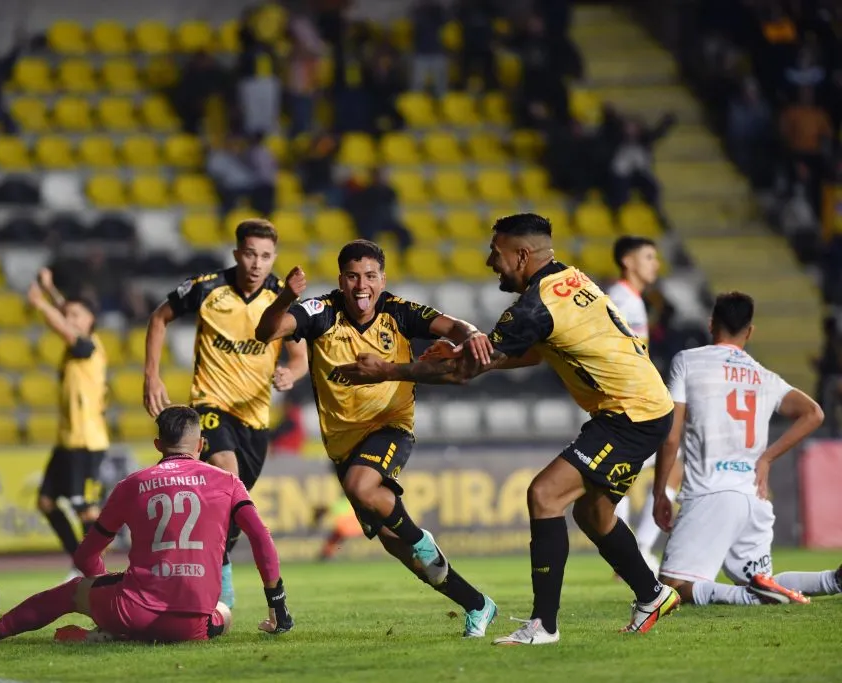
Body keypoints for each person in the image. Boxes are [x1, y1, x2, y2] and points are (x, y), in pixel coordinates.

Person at [337, 214, 680, 644]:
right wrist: (463, 353)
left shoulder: (534, 307)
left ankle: (544, 625)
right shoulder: (569, 278)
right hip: (644, 406)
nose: (489, 262)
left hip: (630, 414)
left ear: (521, 255)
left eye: (496, 254)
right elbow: (530, 354)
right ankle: (651, 593)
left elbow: (465, 373)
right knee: (592, 513)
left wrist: (389, 370)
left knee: (544, 494)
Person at [254, 239, 498, 638]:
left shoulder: (399, 312)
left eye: (370, 276)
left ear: (382, 279)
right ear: (341, 280)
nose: (361, 285)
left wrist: (470, 336)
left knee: (362, 488)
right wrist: (284, 297)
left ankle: (420, 537)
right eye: (353, 276)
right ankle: (477, 604)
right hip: (343, 444)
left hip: (390, 425)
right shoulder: (320, 311)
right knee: (395, 545)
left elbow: (454, 326)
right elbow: (266, 332)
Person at [0, 406, 294, 644]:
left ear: (157, 445)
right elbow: (261, 540)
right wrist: (276, 604)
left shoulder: (132, 485)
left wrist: (98, 581)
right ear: (201, 445)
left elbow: (85, 557)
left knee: (72, 592)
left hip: (131, 610)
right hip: (194, 625)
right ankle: (114, 634)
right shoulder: (228, 482)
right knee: (225, 612)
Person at [142, 219, 308, 609]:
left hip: (254, 419)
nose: (256, 263)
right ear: (237, 254)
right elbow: (158, 317)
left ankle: (218, 569)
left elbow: (300, 358)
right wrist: (152, 375)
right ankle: (221, 591)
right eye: (250, 253)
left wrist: (291, 373)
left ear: (274, 258)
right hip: (210, 405)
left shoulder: (281, 299)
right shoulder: (208, 287)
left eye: (265, 256)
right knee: (227, 475)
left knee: (234, 505)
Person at [653, 292, 840, 607]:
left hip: (710, 493)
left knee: (671, 587)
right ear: (750, 331)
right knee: (759, 578)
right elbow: (814, 413)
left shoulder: (687, 361)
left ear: (711, 324)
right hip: (753, 496)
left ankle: (749, 598)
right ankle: (832, 580)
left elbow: (671, 437)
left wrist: (661, 492)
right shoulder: (764, 376)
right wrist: (766, 458)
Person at [28, 269, 109, 580]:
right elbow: (67, 315)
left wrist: (41, 304)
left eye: (77, 315)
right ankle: (81, 562)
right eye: (68, 314)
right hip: (67, 442)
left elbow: (66, 327)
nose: (70, 318)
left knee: (86, 509)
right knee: (46, 502)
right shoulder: (78, 339)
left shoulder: (88, 347)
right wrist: (51, 290)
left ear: (90, 320)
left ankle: (89, 568)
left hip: (86, 442)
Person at [608, 236, 681, 572]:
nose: (656, 264)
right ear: (628, 260)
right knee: (661, 469)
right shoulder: (623, 299)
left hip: (630, 402)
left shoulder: (631, 299)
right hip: (629, 405)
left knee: (621, 480)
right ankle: (633, 553)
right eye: (649, 256)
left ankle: (633, 553)